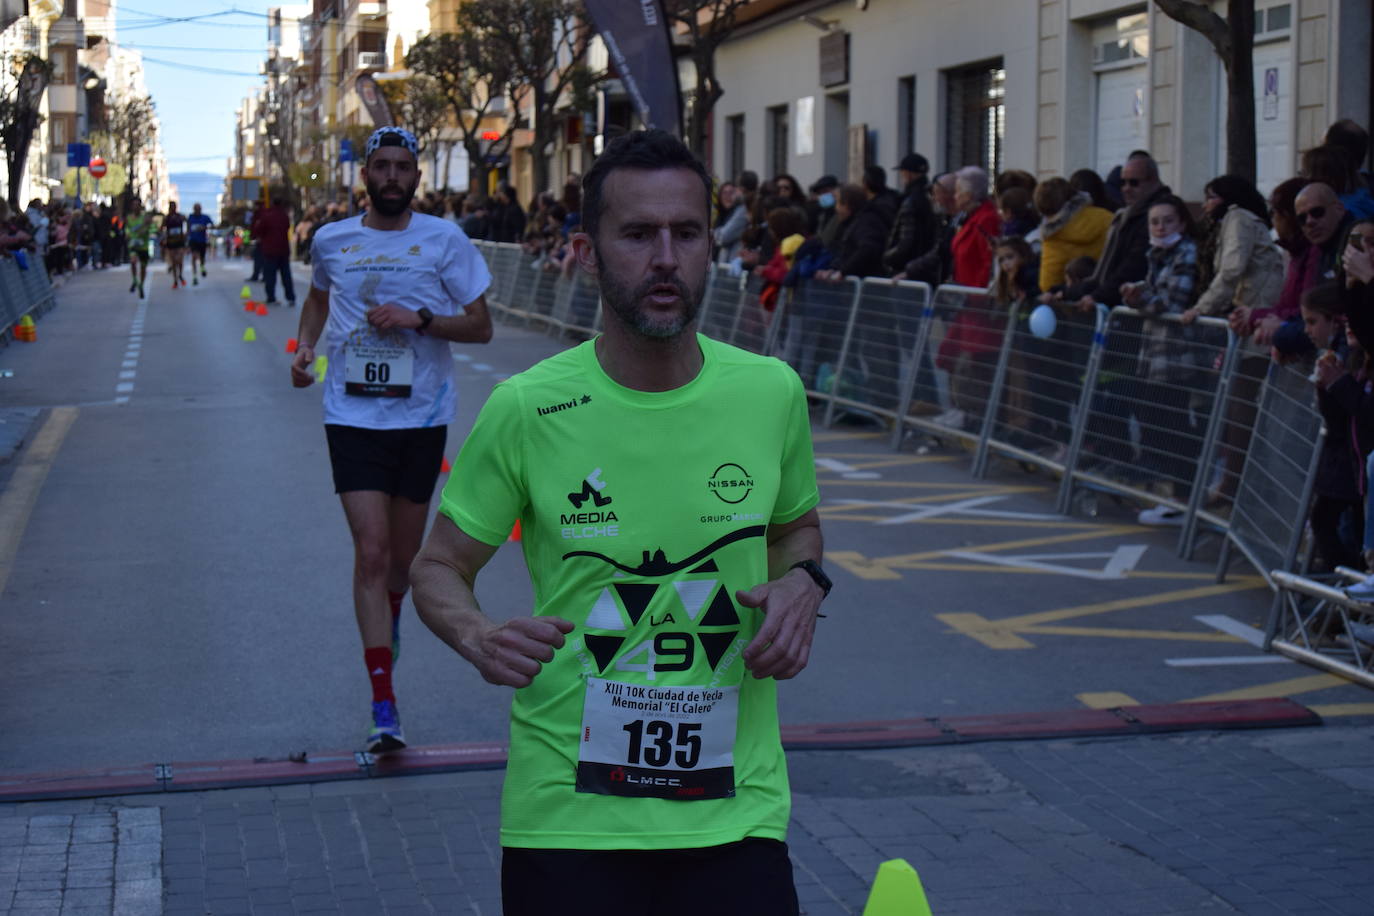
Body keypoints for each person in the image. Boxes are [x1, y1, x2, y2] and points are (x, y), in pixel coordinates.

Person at [410, 128, 826, 916]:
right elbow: (437, 566)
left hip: (736, 813)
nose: (665, 257)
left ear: (712, 246)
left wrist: (804, 584)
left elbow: (796, 529)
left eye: (687, 233)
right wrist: (477, 634)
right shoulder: (528, 408)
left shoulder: (771, 394)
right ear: (589, 251)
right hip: (568, 817)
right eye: (637, 234)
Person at [289, 126, 494, 752]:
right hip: (351, 416)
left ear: (417, 178)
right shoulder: (332, 240)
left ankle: (392, 617)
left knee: (402, 565)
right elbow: (319, 302)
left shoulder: (445, 240)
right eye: (382, 166)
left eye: (403, 167)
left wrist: (421, 319)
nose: (392, 177)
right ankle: (384, 702)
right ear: (366, 175)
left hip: (421, 418)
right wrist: (303, 349)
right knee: (371, 553)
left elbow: (482, 327)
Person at [1119, 194, 1205, 525]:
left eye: (1168, 220)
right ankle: (1175, 496)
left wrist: (1140, 298)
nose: (1160, 226)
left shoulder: (1186, 252)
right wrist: (1136, 292)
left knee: (1172, 427)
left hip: (1176, 356)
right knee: (1153, 419)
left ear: (1181, 222)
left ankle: (1183, 500)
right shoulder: (1156, 254)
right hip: (1153, 354)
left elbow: (1172, 300)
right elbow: (1153, 294)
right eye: (1155, 221)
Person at [1077, 152, 1172, 310]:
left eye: (1134, 183)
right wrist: (1064, 292)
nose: (1126, 189)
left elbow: (1133, 267)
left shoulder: (1157, 214)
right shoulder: (1125, 215)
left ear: (1153, 181)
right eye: (1123, 183)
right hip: (1117, 301)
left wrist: (1098, 296)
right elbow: (1106, 271)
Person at [1034, 177, 1112, 296]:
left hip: (1078, 300)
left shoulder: (1053, 235)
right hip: (1110, 290)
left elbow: (1048, 284)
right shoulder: (1106, 217)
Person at [883, 153, 936, 276]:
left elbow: (907, 240)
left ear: (908, 174)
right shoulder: (931, 196)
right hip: (925, 265)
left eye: (902, 172)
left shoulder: (910, 201)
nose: (901, 176)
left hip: (908, 268)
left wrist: (888, 257)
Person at [949, 166, 1001, 288]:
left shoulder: (986, 219)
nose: (955, 196)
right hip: (965, 291)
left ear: (968, 195)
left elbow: (988, 263)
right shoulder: (971, 217)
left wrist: (978, 296)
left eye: (957, 191)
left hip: (976, 295)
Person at [252, 189, 294, 306]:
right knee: (286, 275)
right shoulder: (284, 216)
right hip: (283, 250)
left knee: (270, 276)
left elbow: (259, 230)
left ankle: (271, 297)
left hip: (269, 250)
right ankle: (290, 297)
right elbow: (287, 227)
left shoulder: (267, 216)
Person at [124, 198, 153, 299]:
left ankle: (141, 284)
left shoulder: (146, 218)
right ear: (132, 207)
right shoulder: (129, 218)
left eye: (137, 205)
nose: (135, 207)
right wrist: (127, 234)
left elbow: (152, 228)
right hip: (133, 245)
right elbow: (127, 228)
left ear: (140, 206)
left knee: (143, 268)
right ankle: (135, 280)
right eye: (134, 205)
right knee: (133, 261)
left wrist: (145, 229)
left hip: (143, 246)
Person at [160, 201, 189, 289]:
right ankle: (175, 280)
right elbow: (161, 228)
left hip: (180, 242)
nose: (173, 208)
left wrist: (185, 233)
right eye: (171, 206)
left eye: (174, 206)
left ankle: (180, 275)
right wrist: (164, 237)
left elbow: (188, 222)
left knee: (179, 260)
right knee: (173, 262)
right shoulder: (166, 218)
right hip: (170, 242)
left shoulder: (180, 216)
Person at [186, 203, 213, 283]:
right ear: (194, 209)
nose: (197, 210)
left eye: (199, 209)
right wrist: (186, 240)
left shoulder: (205, 217)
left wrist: (204, 227)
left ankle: (202, 267)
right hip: (193, 241)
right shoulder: (190, 217)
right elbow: (188, 228)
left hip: (202, 241)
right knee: (194, 257)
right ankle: (194, 276)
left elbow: (212, 225)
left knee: (202, 258)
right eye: (196, 209)